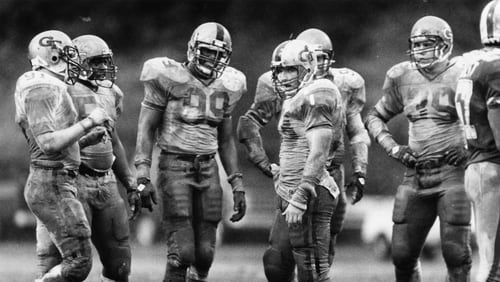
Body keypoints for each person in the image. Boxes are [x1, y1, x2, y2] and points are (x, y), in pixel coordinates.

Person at [237, 28, 369, 268]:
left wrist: (360, 170)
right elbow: (249, 123)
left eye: (320, 57)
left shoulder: (344, 84)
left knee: (320, 254)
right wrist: (265, 165)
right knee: (277, 260)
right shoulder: (280, 79)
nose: (315, 64)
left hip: (329, 176)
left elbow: (357, 130)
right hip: (294, 175)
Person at [134, 22, 247, 282]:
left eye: (219, 54)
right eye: (207, 51)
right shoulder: (167, 77)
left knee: (205, 255)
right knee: (182, 252)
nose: (213, 59)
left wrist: (236, 182)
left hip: (209, 168)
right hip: (174, 165)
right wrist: (142, 172)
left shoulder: (229, 84)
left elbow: (226, 139)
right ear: (192, 49)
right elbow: (146, 128)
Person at [365, 16, 472, 281]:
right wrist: (394, 149)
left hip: (453, 173)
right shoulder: (403, 77)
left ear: (446, 44)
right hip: (416, 175)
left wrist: (469, 146)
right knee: (401, 254)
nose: (421, 49)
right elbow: (374, 117)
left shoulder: (464, 73)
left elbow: (488, 119)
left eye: (428, 43)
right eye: (417, 44)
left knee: (456, 253)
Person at [14, 30, 110, 281]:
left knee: (70, 259)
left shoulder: (49, 85)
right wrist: (88, 122)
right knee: (77, 263)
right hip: (50, 182)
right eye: (68, 56)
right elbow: (47, 143)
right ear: (52, 57)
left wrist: (87, 139)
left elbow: (57, 141)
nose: (74, 63)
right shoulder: (41, 87)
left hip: (56, 180)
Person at [261, 38, 344, 282]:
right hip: (289, 189)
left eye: (290, 69)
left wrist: (301, 193)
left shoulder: (318, 93)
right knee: (275, 262)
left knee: (312, 270)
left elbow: (319, 150)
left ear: (307, 67)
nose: (284, 76)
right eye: (279, 70)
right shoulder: (296, 96)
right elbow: (297, 144)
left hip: (312, 192)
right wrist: (283, 171)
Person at [70, 34, 140, 282]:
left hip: (107, 181)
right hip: (74, 179)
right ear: (77, 62)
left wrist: (130, 183)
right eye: (96, 61)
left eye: (105, 61)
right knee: (75, 261)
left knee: (119, 262)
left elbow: (114, 142)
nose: (102, 67)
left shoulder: (112, 93)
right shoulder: (64, 90)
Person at [455, 1, 500, 281]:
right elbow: (497, 123)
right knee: (492, 266)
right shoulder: (496, 66)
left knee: (492, 261)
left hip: (478, 165)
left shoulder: (471, 62)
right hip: (492, 167)